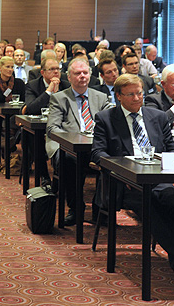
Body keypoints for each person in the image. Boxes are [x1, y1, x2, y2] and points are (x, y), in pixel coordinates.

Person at [92, 74, 174, 291]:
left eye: (140, 93)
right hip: (125, 182)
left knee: (170, 196)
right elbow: (98, 153)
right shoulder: (106, 118)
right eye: (131, 94)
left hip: (158, 176)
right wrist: (122, 170)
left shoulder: (157, 116)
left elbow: (171, 149)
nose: (137, 98)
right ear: (118, 96)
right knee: (149, 200)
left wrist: (173, 171)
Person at [47, 58, 110, 225]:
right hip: (68, 147)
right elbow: (52, 128)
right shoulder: (59, 98)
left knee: (111, 160)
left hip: (95, 147)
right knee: (69, 160)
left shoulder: (101, 97)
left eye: (85, 73)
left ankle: (100, 209)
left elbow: (111, 124)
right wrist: (74, 139)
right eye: (77, 73)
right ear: (69, 77)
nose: (82, 76)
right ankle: (76, 208)